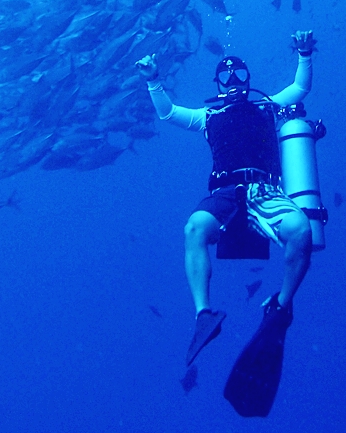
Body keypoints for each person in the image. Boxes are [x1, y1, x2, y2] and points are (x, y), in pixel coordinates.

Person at [135, 30, 316, 366]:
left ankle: (281, 304)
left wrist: (304, 54)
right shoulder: (209, 116)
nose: (233, 80)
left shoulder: (267, 106)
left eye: (239, 74)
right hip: (224, 194)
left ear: (248, 80)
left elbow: (300, 88)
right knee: (193, 229)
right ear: (217, 84)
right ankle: (204, 315)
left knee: (302, 231)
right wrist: (153, 81)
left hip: (266, 192)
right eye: (225, 76)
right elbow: (169, 113)